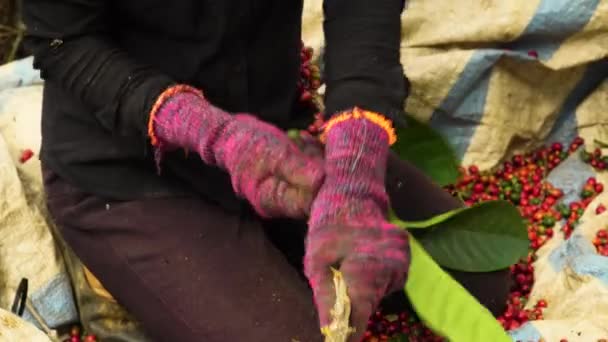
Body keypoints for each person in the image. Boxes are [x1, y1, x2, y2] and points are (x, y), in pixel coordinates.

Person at [23, 1, 509, 341]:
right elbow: (65, 40)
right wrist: (211, 134)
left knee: (481, 281)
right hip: (130, 172)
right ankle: (112, 273)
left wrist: (355, 159)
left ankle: (264, 245)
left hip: (274, 135)